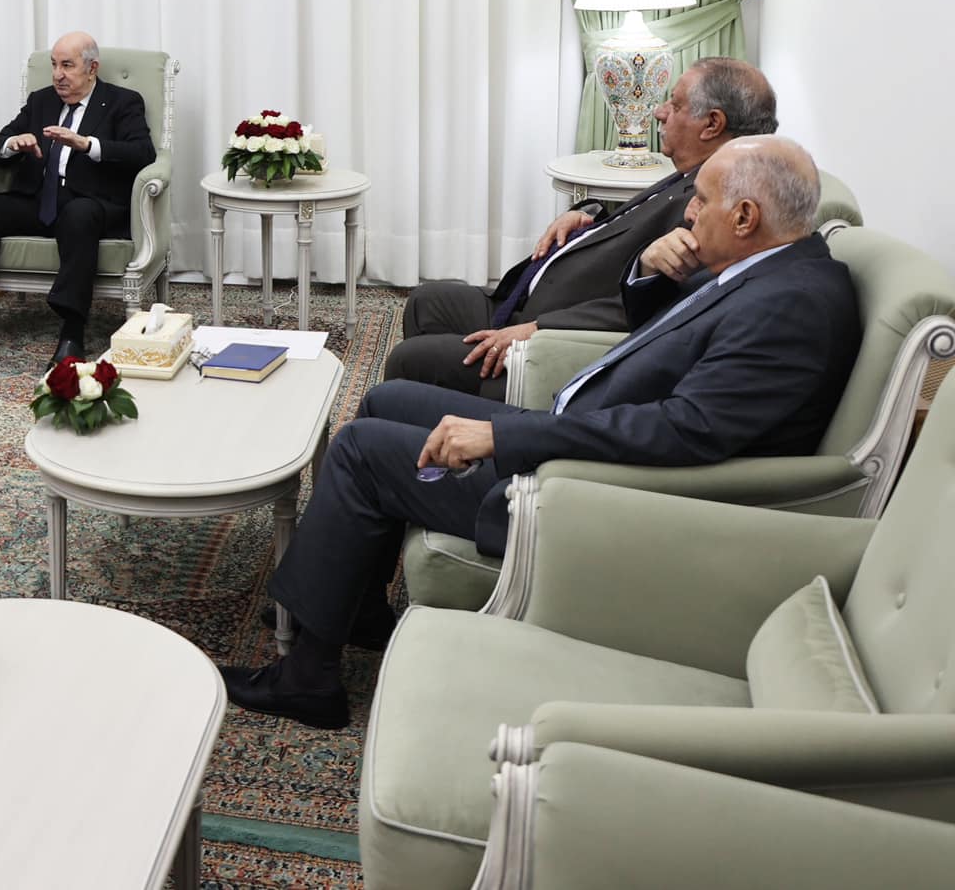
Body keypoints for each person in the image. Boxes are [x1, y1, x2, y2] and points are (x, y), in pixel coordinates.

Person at [225, 135, 860, 729]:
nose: (689, 213)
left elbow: (683, 433)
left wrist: (504, 439)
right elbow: (660, 334)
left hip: (589, 488)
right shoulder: (767, 269)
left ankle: (307, 681)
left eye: (701, 200)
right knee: (387, 399)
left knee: (362, 451)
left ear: (745, 216)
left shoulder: (791, 305)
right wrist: (647, 267)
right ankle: (355, 606)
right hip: (577, 435)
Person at [386, 58, 777, 399]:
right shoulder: (694, 172)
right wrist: (585, 213)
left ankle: (454, 425)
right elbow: (633, 220)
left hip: (553, 338)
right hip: (528, 305)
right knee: (427, 301)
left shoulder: (714, 203)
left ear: (712, 124)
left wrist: (537, 329)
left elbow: (652, 306)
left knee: (412, 360)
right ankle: (437, 412)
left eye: (674, 105)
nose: (659, 112)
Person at [0, 32, 157, 370]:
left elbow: (143, 153)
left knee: (78, 214)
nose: (57, 75)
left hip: (90, 203)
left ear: (92, 68)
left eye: (67, 65)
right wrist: (12, 144)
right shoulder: (41, 101)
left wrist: (88, 145)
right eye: (54, 65)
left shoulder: (122, 102)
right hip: (39, 201)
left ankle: (72, 335)